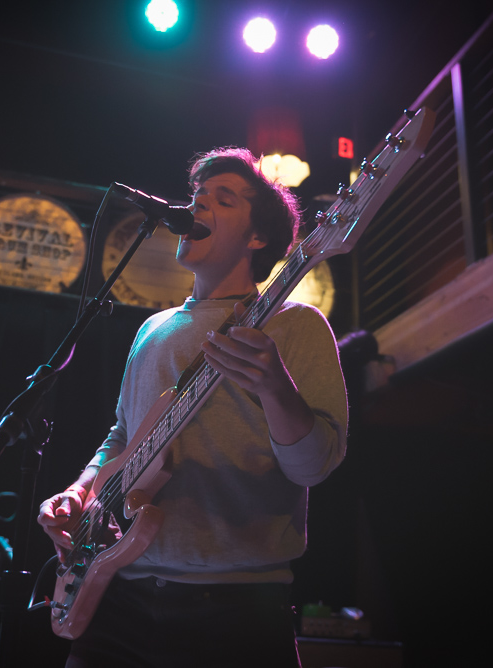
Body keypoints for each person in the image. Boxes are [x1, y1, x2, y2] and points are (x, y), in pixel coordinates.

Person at [38, 148, 349, 667]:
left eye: (221, 200)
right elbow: (122, 434)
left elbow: (316, 465)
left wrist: (276, 388)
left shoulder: (296, 324)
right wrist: (80, 490)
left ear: (257, 237)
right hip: (117, 594)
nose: (198, 205)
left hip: (234, 609)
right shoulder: (153, 328)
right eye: (197, 196)